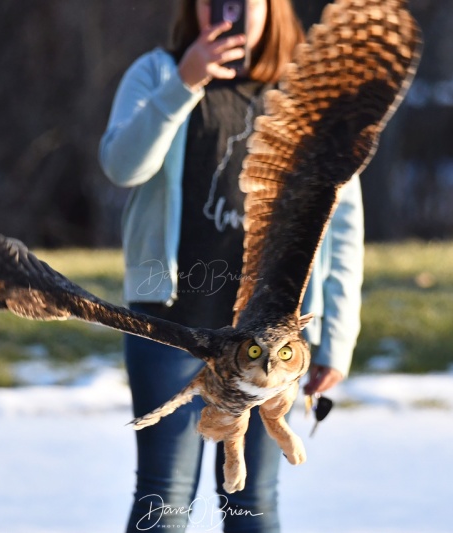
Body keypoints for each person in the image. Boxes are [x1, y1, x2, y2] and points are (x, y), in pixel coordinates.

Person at [99, 0, 364, 531]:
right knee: (165, 494)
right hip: (169, 323)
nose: (225, 10)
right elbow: (122, 166)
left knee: (253, 497)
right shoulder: (156, 73)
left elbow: (344, 220)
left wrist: (335, 337)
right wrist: (182, 83)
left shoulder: (303, 96)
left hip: (270, 340)